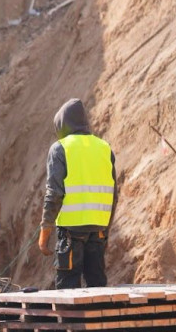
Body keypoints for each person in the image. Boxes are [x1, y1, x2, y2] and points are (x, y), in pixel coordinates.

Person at [38, 98, 117, 289]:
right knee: (97, 284)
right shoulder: (104, 148)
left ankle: (72, 321)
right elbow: (114, 195)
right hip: (97, 228)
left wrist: (44, 232)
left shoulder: (61, 148)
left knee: (68, 287)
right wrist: (105, 230)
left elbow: (54, 194)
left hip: (71, 230)